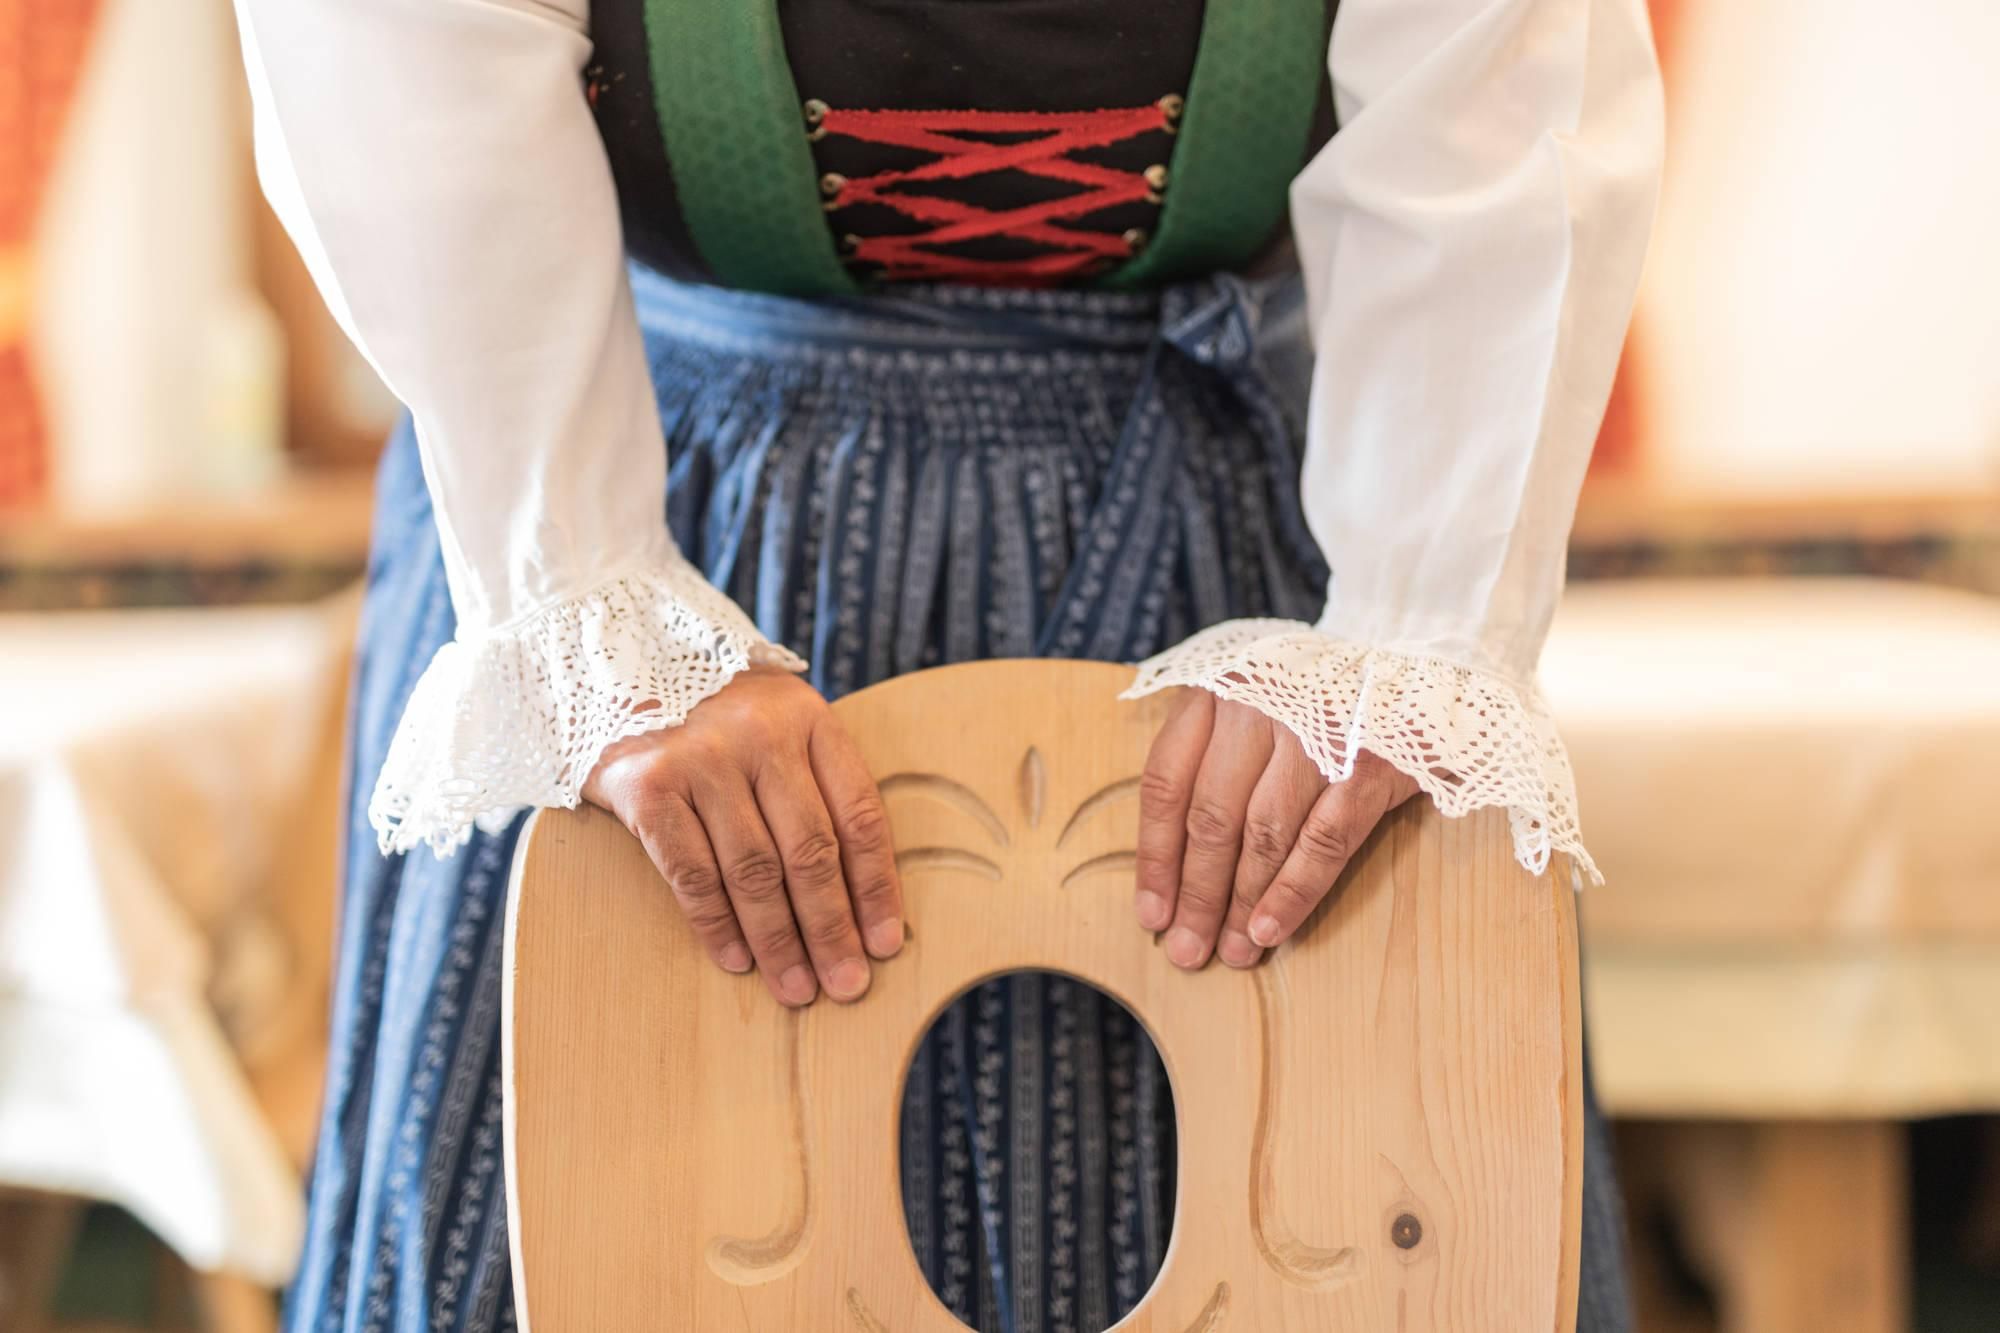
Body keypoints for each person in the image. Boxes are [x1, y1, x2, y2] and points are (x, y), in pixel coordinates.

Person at [234, 2, 1662, 1330]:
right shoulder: (605, 598)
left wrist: (1416, 625)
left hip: (1269, 588)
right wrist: (595, 610)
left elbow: (1495, 83)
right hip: (659, 518)